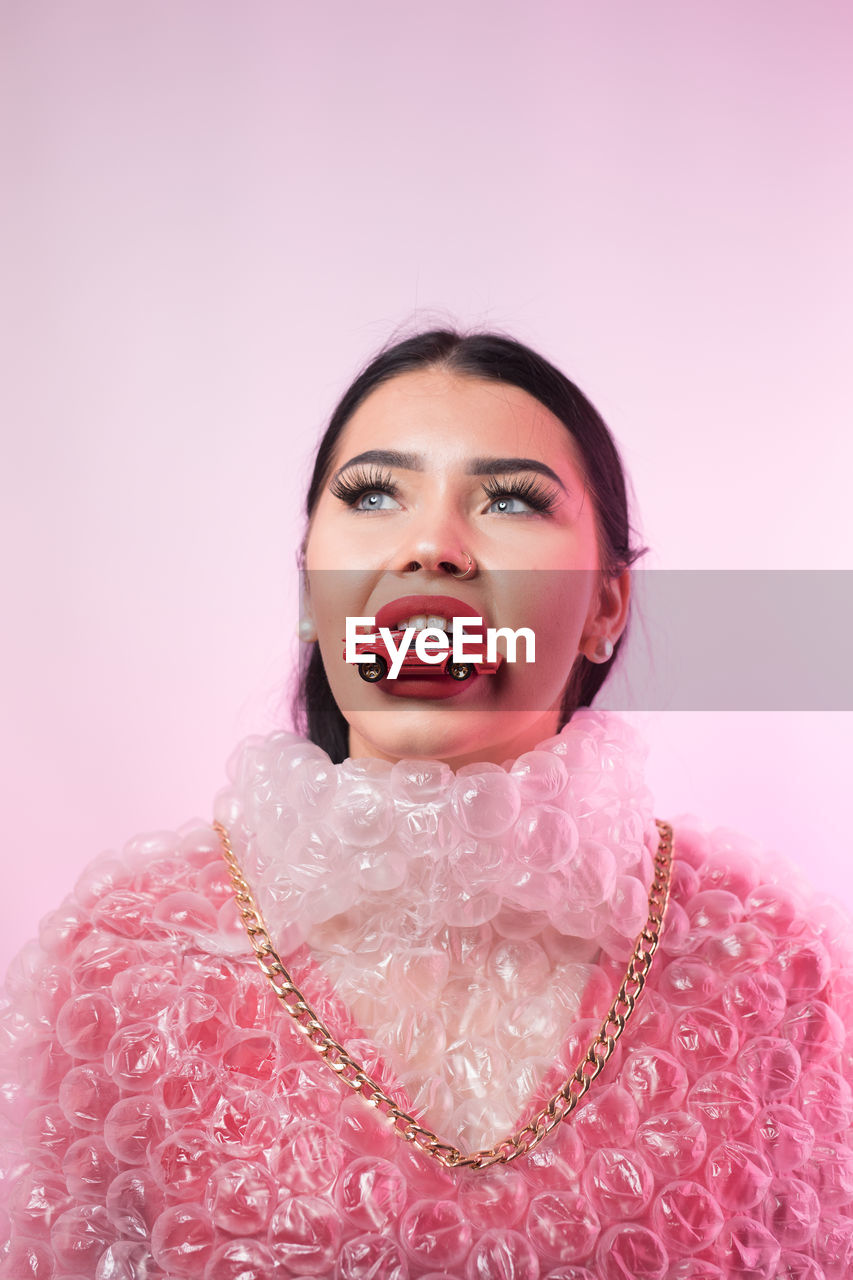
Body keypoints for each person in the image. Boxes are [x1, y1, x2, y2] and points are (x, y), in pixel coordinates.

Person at [1, 329, 852, 1280]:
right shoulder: (134, 958)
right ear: (311, 583)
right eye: (372, 494)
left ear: (607, 608)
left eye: (510, 500)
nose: (432, 545)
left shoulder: (765, 965)